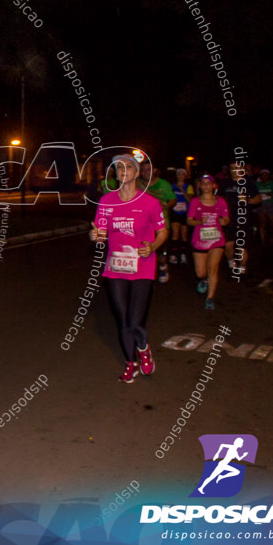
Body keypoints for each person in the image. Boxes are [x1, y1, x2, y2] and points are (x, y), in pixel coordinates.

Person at [91, 153, 167, 383]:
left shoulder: (150, 202)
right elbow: (101, 232)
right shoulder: (106, 201)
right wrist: (96, 236)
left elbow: (163, 231)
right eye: (119, 167)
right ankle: (130, 363)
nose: (123, 170)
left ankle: (143, 349)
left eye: (128, 167)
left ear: (136, 173)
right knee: (122, 319)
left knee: (135, 320)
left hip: (142, 266)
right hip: (115, 268)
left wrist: (152, 246)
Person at [187, 174, 230, 310]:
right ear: (199, 186)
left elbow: (226, 218)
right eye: (203, 183)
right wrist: (199, 222)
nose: (206, 186)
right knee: (201, 272)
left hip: (216, 240)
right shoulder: (195, 202)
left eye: (208, 183)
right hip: (199, 241)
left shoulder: (221, 201)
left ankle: (210, 298)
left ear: (213, 186)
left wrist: (224, 221)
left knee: (213, 269)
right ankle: (204, 280)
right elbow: (189, 220)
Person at [218, 162, 260, 274]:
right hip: (228, 218)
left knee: (241, 245)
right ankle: (231, 263)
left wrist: (248, 200)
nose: (234, 170)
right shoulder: (225, 183)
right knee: (228, 245)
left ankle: (242, 267)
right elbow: (218, 198)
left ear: (241, 168)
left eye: (236, 168)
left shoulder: (248, 183)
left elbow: (258, 198)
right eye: (231, 168)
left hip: (243, 217)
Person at [139, 161, 175, 282]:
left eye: (149, 169)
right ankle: (144, 273)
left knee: (160, 249)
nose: (146, 173)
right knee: (143, 247)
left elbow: (173, 200)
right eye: (143, 170)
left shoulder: (163, 184)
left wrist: (166, 206)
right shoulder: (137, 184)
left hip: (160, 223)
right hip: (142, 223)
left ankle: (163, 266)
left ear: (154, 170)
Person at [168, 169, 193, 265]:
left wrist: (182, 189)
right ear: (177, 175)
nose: (181, 175)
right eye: (179, 174)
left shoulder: (188, 187)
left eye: (183, 174)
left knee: (184, 235)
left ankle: (183, 255)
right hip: (175, 211)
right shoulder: (172, 186)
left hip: (185, 212)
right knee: (175, 233)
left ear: (185, 176)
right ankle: (173, 255)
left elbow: (190, 200)